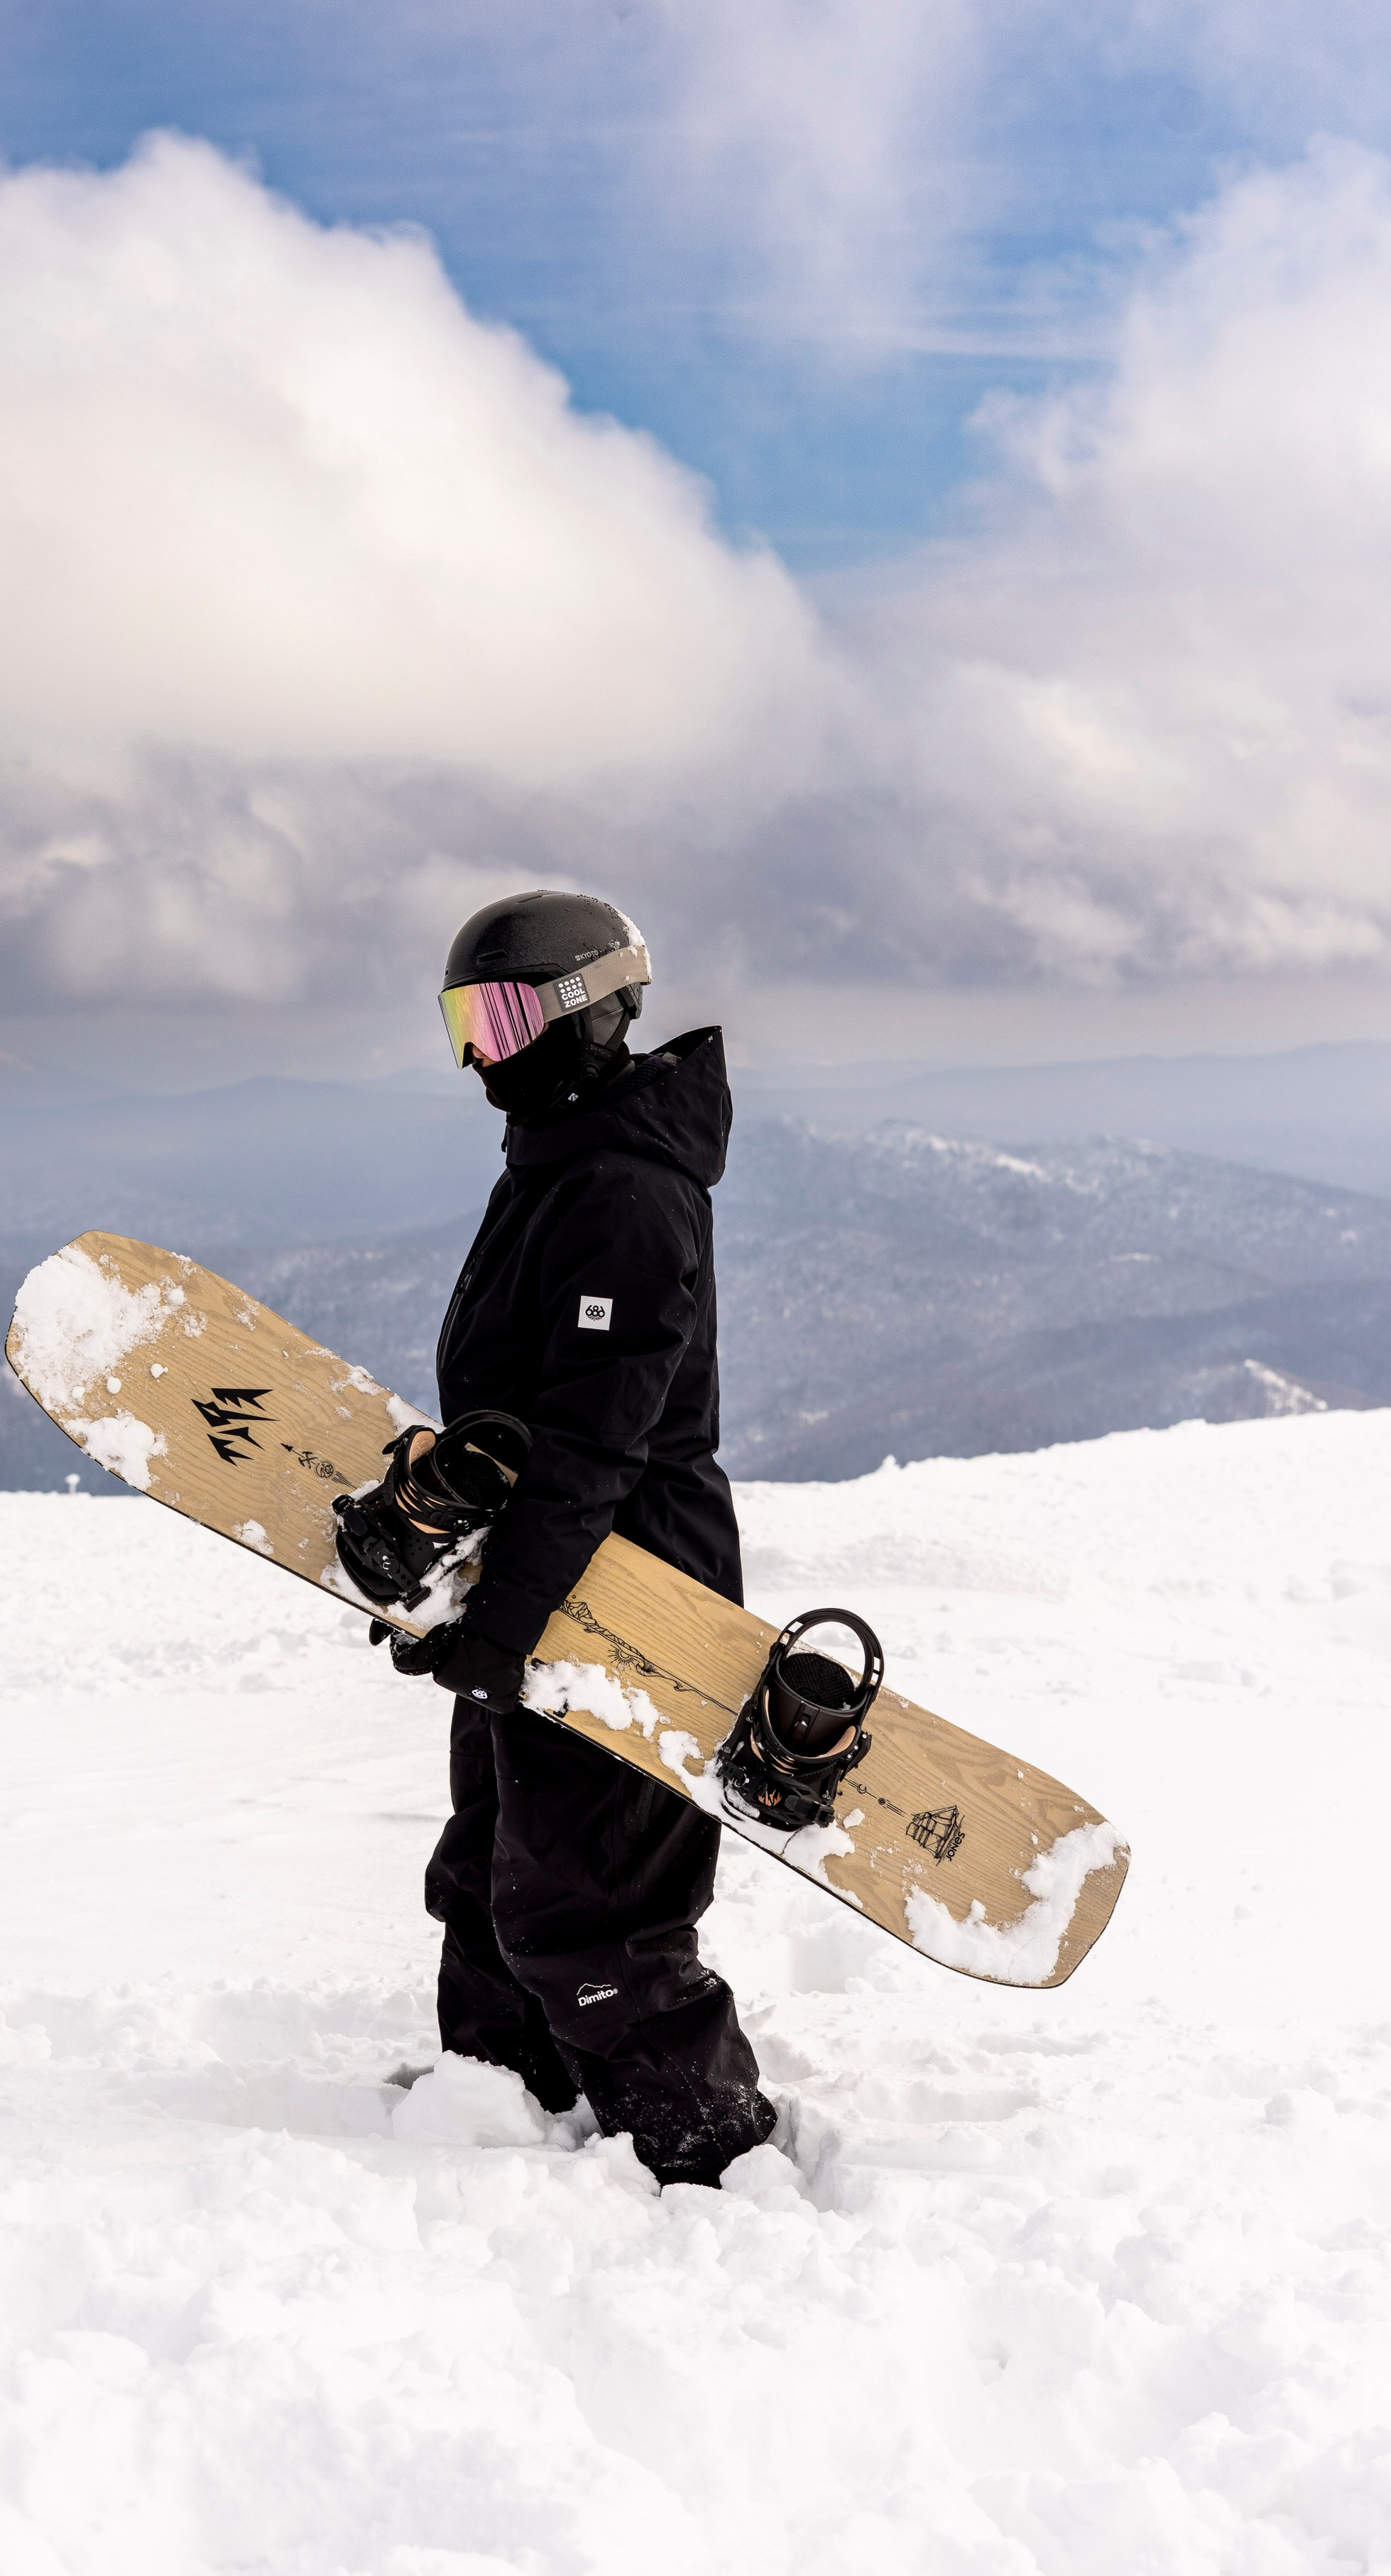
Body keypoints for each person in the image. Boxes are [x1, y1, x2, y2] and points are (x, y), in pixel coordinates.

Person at [387, 888, 776, 2188]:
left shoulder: (624, 1189)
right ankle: (497, 2091)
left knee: (593, 1886)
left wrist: (509, 1622)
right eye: (463, 1022)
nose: (479, 1053)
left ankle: (707, 2150)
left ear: (583, 1009)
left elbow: (597, 1440)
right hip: (541, 1566)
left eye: (499, 1017)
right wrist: (457, 1591)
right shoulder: (561, 1157)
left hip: (626, 1579)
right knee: (495, 1846)